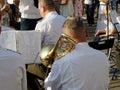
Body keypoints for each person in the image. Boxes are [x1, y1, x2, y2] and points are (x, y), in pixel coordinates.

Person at [44, 16, 109, 90]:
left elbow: (49, 87)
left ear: (65, 38)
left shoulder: (61, 62)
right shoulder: (103, 56)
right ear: (86, 33)